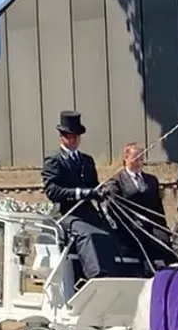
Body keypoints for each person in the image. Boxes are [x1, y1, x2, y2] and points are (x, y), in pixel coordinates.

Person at [40, 110, 121, 279]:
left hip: (87, 212)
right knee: (88, 234)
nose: (74, 140)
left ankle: (114, 274)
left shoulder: (87, 160)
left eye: (77, 136)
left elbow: (93, 185)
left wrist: (100, 191)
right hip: (66, 213)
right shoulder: (54, 161)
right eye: (70, 136)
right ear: (62, 137)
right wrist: (81, 193)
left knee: (108, 233)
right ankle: (95, 276)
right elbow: (52, 191)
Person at [110, 142, 178, 269]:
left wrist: (163, 227)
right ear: (126, 158)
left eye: (141, 158)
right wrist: (131, 222)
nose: (139, 162)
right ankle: (147, 270)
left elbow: (158, 207)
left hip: (152, 223)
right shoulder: (117, 181)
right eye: (135, 158)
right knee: (144, 245)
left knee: (164, 242)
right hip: (132, 225)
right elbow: (116, 208)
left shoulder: (151, 180)